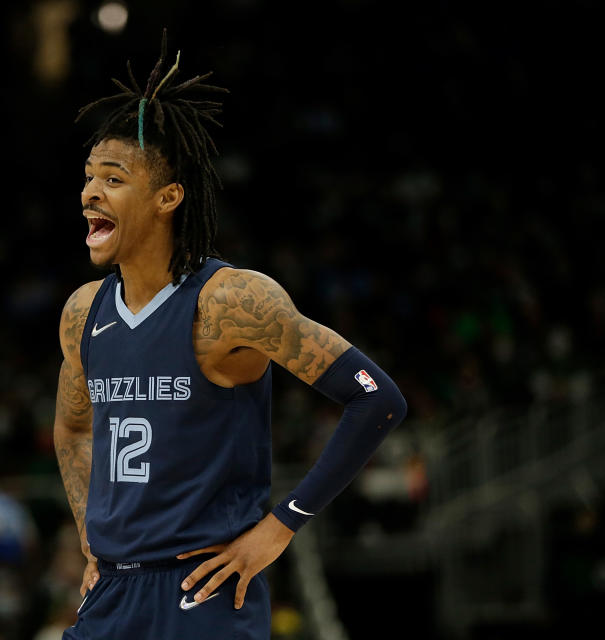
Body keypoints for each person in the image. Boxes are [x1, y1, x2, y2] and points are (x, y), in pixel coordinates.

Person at [53, 31, 407, 639]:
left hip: (204, 591)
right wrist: (89, 531)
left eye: (113, 178)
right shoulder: (84, 312)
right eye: (88, 176)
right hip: (110, 591)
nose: (90, 191)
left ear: (168, 197)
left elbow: (376, 398)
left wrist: (280, 527)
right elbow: (74, 425)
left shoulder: (231, 303)